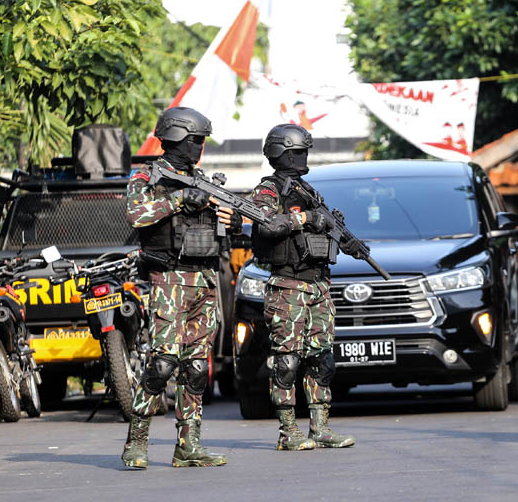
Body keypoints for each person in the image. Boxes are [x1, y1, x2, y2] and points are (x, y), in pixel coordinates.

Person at [120, 107, 241, 469]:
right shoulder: (147, 177)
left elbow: (219, 233)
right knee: (162, 363)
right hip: (169, 279)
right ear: (176, 138)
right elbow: (136, 214)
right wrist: (178, 200)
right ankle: (136, 443)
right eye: (196, 141)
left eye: (202, 141)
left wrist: (229, 223)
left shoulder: (202, 180)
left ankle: (188, 446)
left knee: (196, 368)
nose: (200, 148)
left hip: (204, 278)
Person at [250, 123, 364, 451]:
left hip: (318, 287)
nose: (302, 159)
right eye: (297, 153)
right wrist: (304, 220)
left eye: (304, 152)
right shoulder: (268, 191)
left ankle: (321, 428)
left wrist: (348, 241)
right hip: (287, 286)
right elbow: (268, 226)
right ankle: (289, 431)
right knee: (287, 361)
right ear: (281, 154)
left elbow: (327, 229)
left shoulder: (309, 192)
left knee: (323, 359)